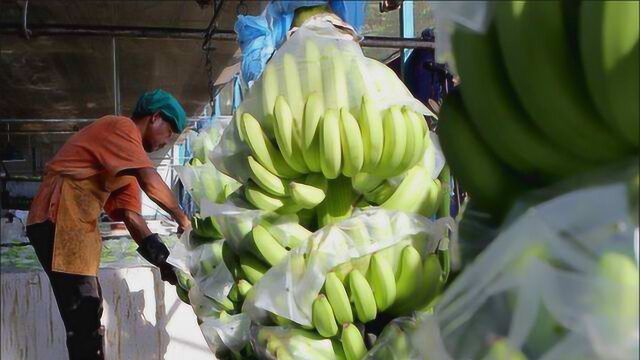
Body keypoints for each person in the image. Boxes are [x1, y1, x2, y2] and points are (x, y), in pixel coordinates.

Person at [25, 89, 192, 360]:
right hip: (57, 217)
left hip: (74, 228)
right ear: (156, 118)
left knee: (89, 309)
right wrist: (182, 218)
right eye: (170, 132)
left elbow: (131, 216)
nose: (167, 142)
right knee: (83, 312)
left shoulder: (126, 162)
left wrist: (163, 262)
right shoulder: (120, 128)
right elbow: (151, 184)